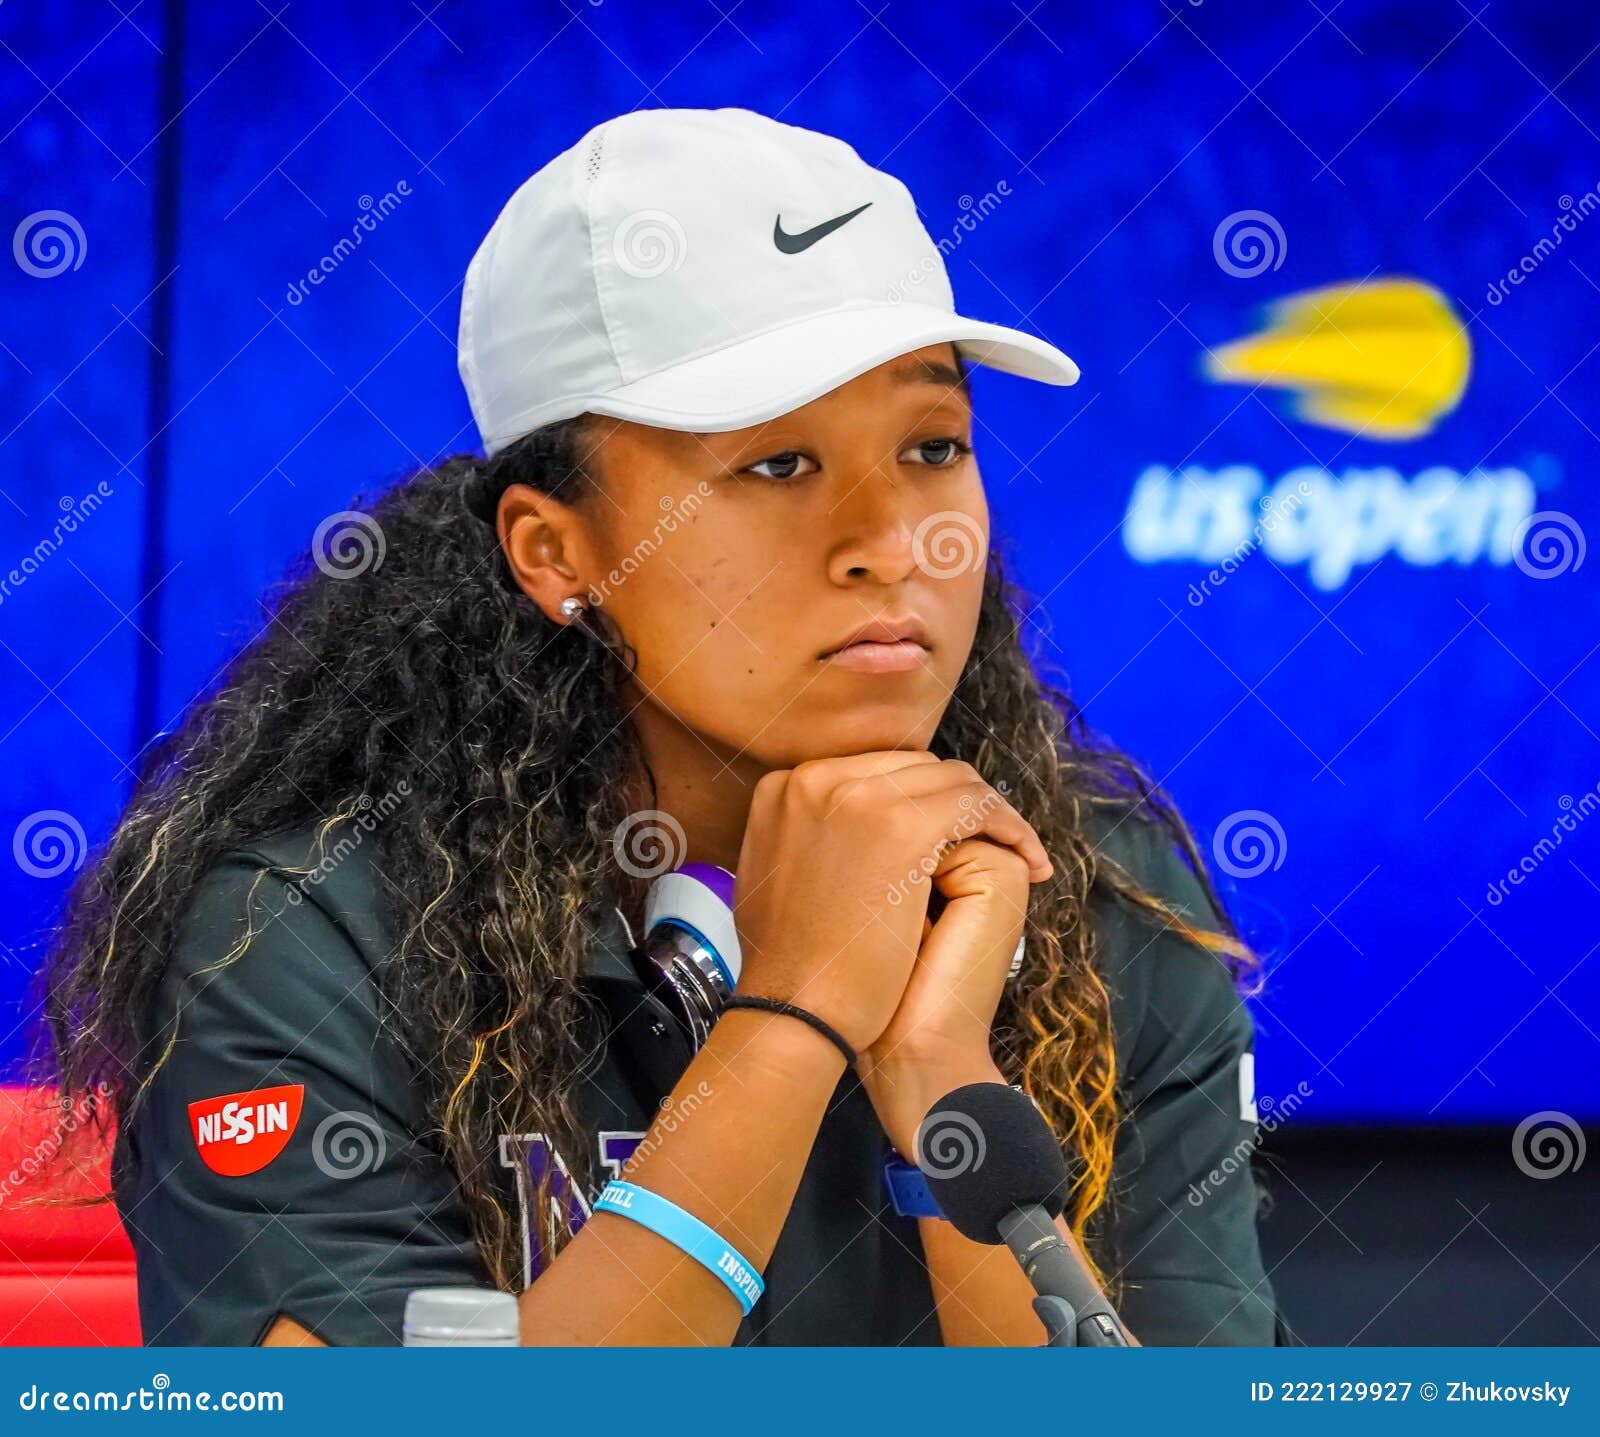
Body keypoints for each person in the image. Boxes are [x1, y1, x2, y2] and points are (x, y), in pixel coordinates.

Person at [35, 106, 1286, 1347]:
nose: (897, 543)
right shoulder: (303, 939)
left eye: (931, 445)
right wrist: (788, 1019)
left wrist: (943, 1083)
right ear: (555, 549)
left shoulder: (1102, 894)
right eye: (776, 466)